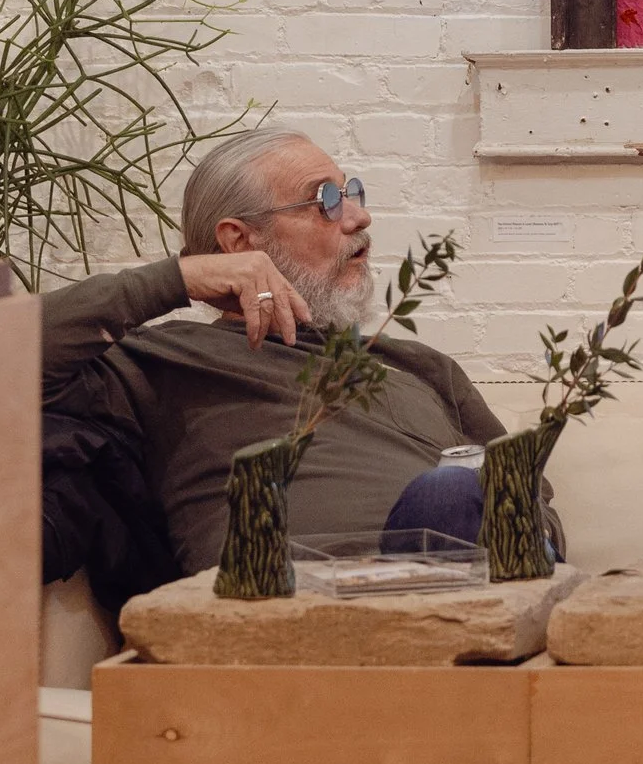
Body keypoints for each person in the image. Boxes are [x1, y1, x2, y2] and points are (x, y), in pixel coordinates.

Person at [43, 128, 527, 575]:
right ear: (239, 241)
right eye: (326, 201)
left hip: (474, 591)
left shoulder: (419, 367)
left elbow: (529, 499)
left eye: (350, 192)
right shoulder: (161, 361)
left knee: (462, 496)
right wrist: (181, 277)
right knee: (451, 494)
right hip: (289, 612)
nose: (359, 217)